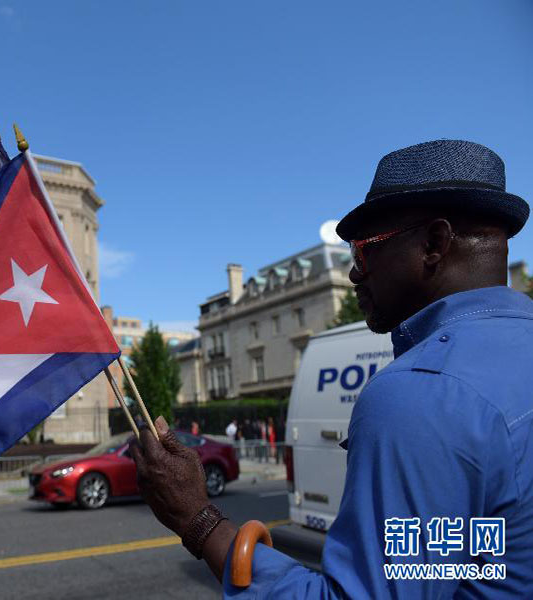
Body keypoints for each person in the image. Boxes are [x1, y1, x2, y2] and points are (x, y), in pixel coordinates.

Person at [130, 140, 533, 598]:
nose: (355, 274)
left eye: (363, 251)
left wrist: (198, 519)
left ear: (434, 244)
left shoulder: (422, 391)